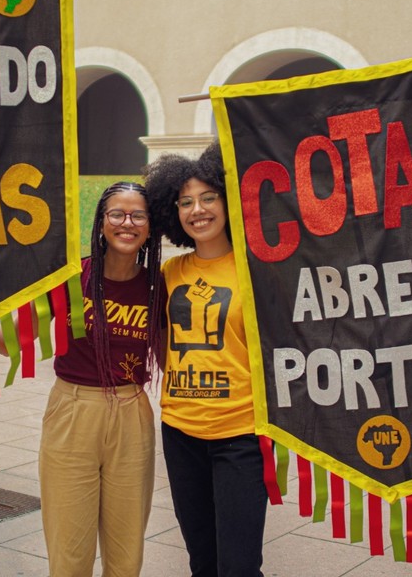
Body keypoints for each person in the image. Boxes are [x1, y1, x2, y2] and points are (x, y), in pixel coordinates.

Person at [144, 142, 268, 577]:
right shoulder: (169, 273)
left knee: (239, 566)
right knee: (202, 562)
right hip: (181, 432)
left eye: (208, 197)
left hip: (242, 435)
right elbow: (163, 341)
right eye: (185, 202)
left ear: (229, 201)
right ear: (173, 212)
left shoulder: (256, 270)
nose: (197, 210)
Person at [31, 181, 164, 576]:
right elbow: (17, 340)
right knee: (69, 552)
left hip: (131, 414)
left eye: (138, 215)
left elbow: (174, 355)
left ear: (150, 227)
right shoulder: (72, 277)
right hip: (73, 411)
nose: (127, 223)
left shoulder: (158, 286)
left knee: (126, 554)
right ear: (102, 222)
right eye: (117, 214)